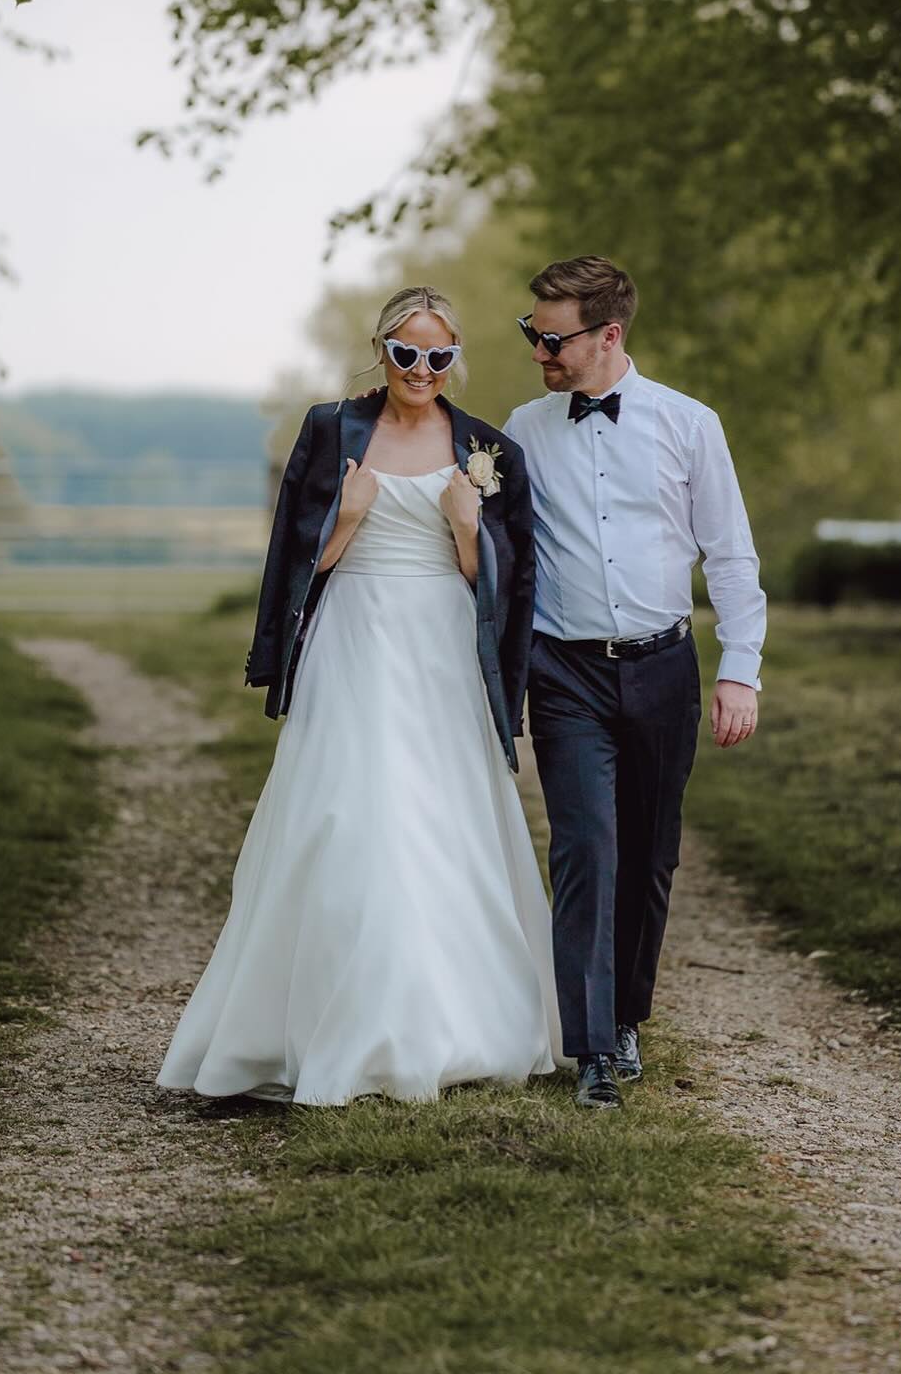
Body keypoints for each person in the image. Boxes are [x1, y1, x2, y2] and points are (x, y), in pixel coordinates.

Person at [157, 287, 564, 1106]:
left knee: (441, 819)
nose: (421, 369)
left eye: (438, 356)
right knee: (347, 813)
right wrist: (345, 517)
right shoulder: (330, 429)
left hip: (445, 649)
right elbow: (298, 559)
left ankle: (452, 1023)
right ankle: (314, 1028)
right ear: (381, 349)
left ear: (455, 360)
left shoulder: (487, 448)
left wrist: (460, 525)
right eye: (406, 353)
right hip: (353, 639)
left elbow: (508, 586)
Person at [503, 256, 765, 1111]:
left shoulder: (691, 425)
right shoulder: (523, 429)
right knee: (586, 846)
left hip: (663, 668)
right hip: (564, 670)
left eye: (554, 336)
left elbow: (730, 556)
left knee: (651, 855)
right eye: (532, 332)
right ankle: (588, 1050)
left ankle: (625, 1018)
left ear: (608, 336)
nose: (539, 347)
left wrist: (740, 671)